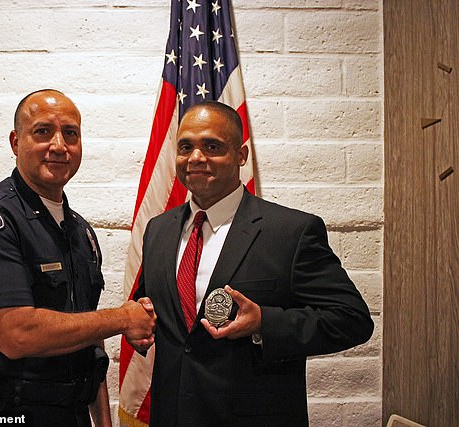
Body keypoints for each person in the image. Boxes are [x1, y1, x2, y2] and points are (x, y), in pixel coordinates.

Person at [128, 101, 374, 426]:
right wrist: (139, 322)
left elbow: (352, 320)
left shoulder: (291, 232)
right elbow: (162, 311)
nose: (196, 157)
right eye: (186, 146)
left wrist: (263, 323)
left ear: (241, 156)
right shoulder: (157, 229)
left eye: (212, 146)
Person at [0, 89, 155, 427]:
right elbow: (15, 334)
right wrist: (123, 318)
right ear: (15, 141)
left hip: (73, 414)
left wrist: (103, 422)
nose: (59, 145)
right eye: (43, 132)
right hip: (7, 414)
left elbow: (87, 335)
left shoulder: (80, 232)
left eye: (71, 133)